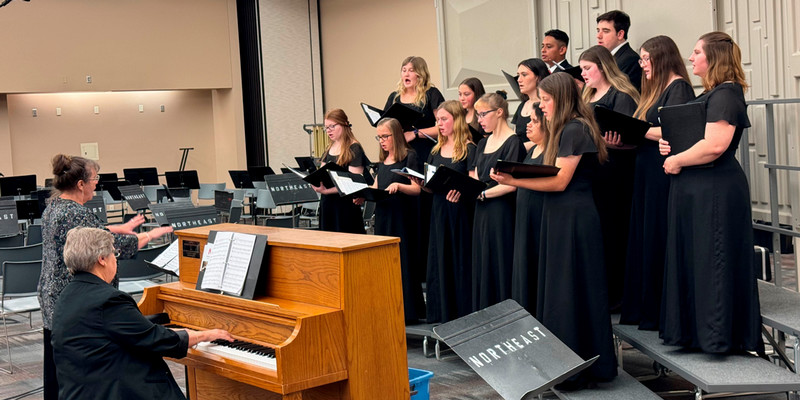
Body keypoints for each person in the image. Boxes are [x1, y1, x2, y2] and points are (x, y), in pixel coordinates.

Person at [491, 72, 616, 388]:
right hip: (561, 217)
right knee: (563, 292)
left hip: (573, 219)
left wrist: (514, 180)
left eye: (545, 100)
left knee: (571, 292)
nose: (541, 106)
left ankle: (577, 367)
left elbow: (560, 181)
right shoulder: (566, 129)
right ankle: (561, 364)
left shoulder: (575, 129)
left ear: (560, 99)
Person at [658, 32, 763, 353]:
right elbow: (695, 136)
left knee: (713, 260)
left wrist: (676, 158)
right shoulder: (713, 93)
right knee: (697, 259)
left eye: (696, 52)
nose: (690, 59)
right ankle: (693, 333)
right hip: (697, 189)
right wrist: (670, 143)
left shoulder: (727, 95)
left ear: (713, 58)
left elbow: (715, 145)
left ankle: (716, 336)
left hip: (715, 191)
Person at [38, 154, 173, 400]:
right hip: (76, 298)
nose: (96, 183)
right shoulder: (75, 214)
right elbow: (112, 245)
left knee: (60, 369)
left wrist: (118, 227)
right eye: (94, 178)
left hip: (55, 297)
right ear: (80, 184)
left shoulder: (56, 207)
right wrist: (150, 235)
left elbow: (91, 231)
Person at [52, 227, 233, 400]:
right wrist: (203, 335)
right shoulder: (109, 300)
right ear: (102, 259)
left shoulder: (67, 295)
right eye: (114, 254)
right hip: (113, 391)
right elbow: (156, 339)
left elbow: (114, 330)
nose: (116, 260)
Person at [619, 35, 695, 331]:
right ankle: (643, 308)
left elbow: (673, 131)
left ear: (661, 58)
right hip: (646, 169)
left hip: (661, 171)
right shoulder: (654, 89)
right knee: (644, 235)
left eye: (646, 59)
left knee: (658, 234)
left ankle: (660, 309)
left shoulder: (679, 87)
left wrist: (637, 131)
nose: (642, 65)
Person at [579, 45, 639, 311]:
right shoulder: (585, 95)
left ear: (602, 68)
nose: (583, 75)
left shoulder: (621, 95)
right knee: (596, 234)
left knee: (614, 232)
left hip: (615, 173)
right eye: (581, 69)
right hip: (591, 172)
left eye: (587, 68)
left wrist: (615, 142)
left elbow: (634, 137)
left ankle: (618, 296)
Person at [384, 56, 444, 284]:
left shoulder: (431, 94)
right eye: (403, 70)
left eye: (411, 70)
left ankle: (424, 271)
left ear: (420, 73)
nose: (406, 74)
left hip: (423, 153)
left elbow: (443, 124)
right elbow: (387, 123)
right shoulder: (394, 97)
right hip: (400, 155)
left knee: (422, 210)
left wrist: (415, 133)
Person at [421, 101, 477, 323]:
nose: (439, 124)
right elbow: (428, 184)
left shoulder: (468, 149)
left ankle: (461, 313)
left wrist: (462, 193)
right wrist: (420, 182)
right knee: (439, 258)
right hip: (438, 210)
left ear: (457, 119)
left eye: (444, 119)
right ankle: (440, 312)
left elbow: (474, 183)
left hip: (459, 212)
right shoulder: (435, 150)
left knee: (458, 259)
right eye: (438, 120)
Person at [365, 117, 425, 324]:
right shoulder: (383, 161)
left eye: (385, 136)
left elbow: (417, 189)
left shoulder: (409, 156)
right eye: (379, 137)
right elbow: (376, 186)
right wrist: (360, 194)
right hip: (384, 217)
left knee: (403, 262)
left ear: (396, 136)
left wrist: (400, 187)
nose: (381, 141)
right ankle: (388, 307)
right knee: (385, 263)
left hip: (402, 218)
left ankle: (408, 311)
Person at [471, 92, 525, 311]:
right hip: (481, 210)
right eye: (477, 115)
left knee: (500, 259)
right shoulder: (483, 143)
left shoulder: (513, 142)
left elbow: (513, 184)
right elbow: (474, 174)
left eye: (483, 114)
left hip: (501, 210)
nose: (480, 120)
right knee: (483, 260)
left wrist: (484, 193)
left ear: (499, 112)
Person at [509, 103, 548, 315]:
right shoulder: (531, 150)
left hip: (538, 218)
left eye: (534, 121)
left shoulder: (551, 151)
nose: (528, 126)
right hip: (524, 218)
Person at [312, 109, 369, 234]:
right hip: (328, 203)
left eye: (332, 126)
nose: (329, 131)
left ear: (344, 124)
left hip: (345, 206)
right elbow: (322, 173)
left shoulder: (354, 148)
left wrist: (327, 191)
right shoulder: (329, 148)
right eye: (326, 127)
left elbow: (354, 183)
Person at [596, 10, 642, 91]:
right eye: (598, 30)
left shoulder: (630, 60)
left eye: (605, 31)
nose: (598, 36)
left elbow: (623, 95)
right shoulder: (604, 57)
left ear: (620, 34)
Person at [511, 58, 550, 150]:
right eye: (518, 75)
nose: (519, 80)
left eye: (524, 75)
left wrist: (518, 148)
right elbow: (515, 136)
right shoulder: (522, 105)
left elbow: (547, 137)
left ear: (538, 77)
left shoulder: (545, 106)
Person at [458, 77, 487, 143]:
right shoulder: (460, 115)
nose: (462, 98)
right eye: (460, 94)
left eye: (466, 94)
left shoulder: (484, 116)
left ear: (477, 94)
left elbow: (485, 142)